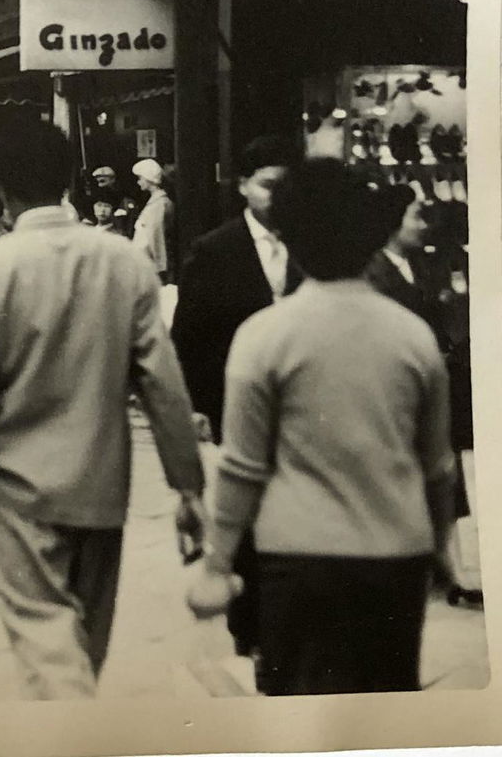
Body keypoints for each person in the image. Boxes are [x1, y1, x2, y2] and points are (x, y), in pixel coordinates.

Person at [0, 123, 206, 700]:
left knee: (50, 651)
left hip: (16, 490)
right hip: (101, 486)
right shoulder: (123, 262)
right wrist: (189, 487)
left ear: (2, 189)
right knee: (85, 643)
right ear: (69, 180)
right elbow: (164, 384)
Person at [186, 159, 454, 696]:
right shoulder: (414, 337)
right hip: (397, 558)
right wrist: (443, 547)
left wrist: (216, 564)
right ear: (373, 238)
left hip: (297, 557)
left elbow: (242, 468)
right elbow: (437, 464)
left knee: (299, 715)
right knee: (386, 708)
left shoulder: (263, 337)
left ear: (289, 236)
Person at [169, 133, 300, 662]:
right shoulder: (214, 250)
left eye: (286, 187)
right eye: (268, 185)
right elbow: (189, 337)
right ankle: (251, 628)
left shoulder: (312, 244)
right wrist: (197, 405)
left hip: (298, 405)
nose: (277, 196)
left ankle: (285, 618)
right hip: (234, 402)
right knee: (245, 505)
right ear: (244, 186)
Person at [367, 185, 481, 608]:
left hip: (434, 381)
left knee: (441, 472)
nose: (423, 224)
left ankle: (448, 566)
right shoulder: (373, 272)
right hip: (398, 387)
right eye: (415, 215)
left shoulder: (423, 263)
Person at [130, 158, 174, 284]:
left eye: (140, 178)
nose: (139, 182)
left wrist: (160, 267)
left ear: (148, 178)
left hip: (151, 267)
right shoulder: (154, 204)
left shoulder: (158, 205)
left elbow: (157, 237)